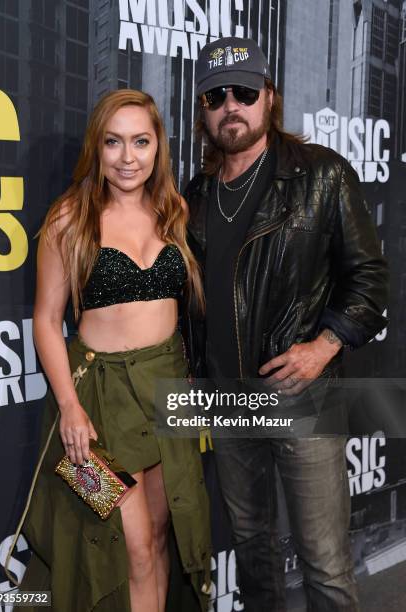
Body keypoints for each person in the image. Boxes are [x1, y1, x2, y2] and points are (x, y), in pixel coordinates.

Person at [184, 37, 389, 611]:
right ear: (202, 109)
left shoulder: (322, 175)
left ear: (269, 98)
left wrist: (323, 347)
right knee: (251, 549)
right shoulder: (196, 195)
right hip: (225, 399)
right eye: (215, 95)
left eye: (244, 92)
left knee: (324, 561)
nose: (231, 105)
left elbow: (370, 280)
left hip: (301, 397)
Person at [15, 89, 211, 612]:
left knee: (162, 536)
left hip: (168, 394)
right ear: (96, 148)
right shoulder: (69, 219)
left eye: (141, 142)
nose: (128, 157)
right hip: (95, 404)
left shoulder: (175, 211)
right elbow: (44, 319)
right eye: (114, 142)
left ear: (158, 147)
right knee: (132, 547)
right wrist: (70, 409)